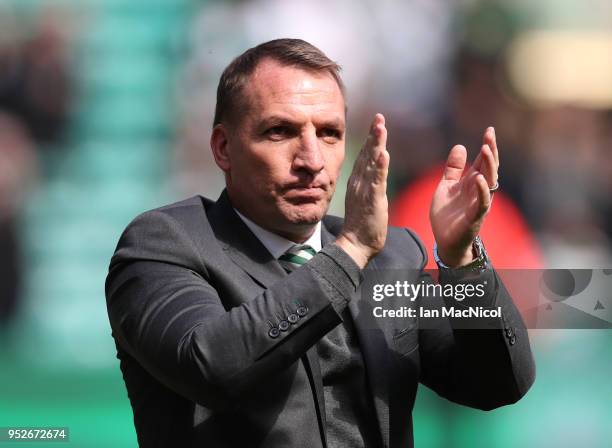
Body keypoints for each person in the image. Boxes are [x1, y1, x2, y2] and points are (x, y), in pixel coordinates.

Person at [105, 38, 535, 448]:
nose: (311, 160)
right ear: (223, 147)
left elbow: (500, 383)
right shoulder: (164, 245)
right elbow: (212, 365)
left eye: (329, 133)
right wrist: (348, 254)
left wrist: (462, 261)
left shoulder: (393, 256)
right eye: (279, 131)